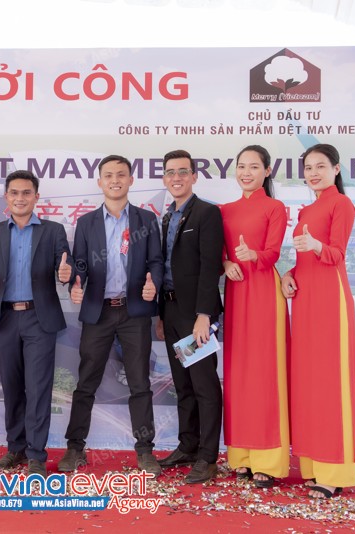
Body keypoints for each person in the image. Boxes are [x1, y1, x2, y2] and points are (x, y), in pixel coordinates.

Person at [0, 170, 73, 477]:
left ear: (36, 197)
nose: (20, 198)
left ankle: (36, 455)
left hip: (39, 319)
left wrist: (66, 273)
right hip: (5, 319)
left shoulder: (53, 230)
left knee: (38, 388)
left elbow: (66, 265)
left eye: (26, 193)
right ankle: (16, 448)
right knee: (12, 387)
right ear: (6, 197)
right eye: (15, 193)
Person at [58, 155, 164, 476]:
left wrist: (154, 283)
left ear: (131, 180)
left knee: (140, 383)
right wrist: (75, 283)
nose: (115, 180)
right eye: (108, 175)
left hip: (134, 312)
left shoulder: (146, 220)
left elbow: (156, 261)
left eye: (121, 174)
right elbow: (80, 264)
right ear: (100, 182)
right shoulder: (87, 223)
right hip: (98, 311)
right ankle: (75, 447)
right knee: (86, 382)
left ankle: (145, 451)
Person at [281, 144, 355, 500]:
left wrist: (314, 245)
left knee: (331, 383)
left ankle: (335, 471)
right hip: (305, 301)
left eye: (321, 166)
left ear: (336, 169)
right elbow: (307, 258)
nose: (313, 173)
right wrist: (290, 273)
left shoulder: (341, 203)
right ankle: (314, 466)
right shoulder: (307, 210)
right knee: (309, 383)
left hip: (330, 300)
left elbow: (336, 254)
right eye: (308, 167)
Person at [220, 145, 289, 488]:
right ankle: (241, 457)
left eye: (253, 167)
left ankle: (268, 459)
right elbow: (219, 251)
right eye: (241, 166)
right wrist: (227, 262)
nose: (246, 173)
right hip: (236, 291)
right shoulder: (224, 210)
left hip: (263, 291)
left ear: (267, 170)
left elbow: (273, 252)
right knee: (238, 374)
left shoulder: (275, 208)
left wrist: (253, 255)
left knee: (265, 373)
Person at [156, 149, 224, 484]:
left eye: (183, 171)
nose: (177, 177)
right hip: (170, 311)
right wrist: (160, 314)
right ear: (164, 178)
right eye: (170, 172)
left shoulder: (207, 213)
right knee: (182, 385)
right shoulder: (167, 216)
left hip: (194, 314)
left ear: (194, 176)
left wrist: (203, 315)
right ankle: (188, 446)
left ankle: (208, 457)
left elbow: (211, 267)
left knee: (203, 385)